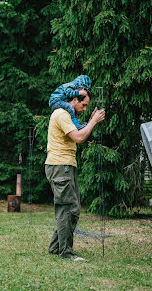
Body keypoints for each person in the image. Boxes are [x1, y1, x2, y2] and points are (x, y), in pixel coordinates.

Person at [45, 88, 105, 261]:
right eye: (84, 105)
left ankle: (56, 247)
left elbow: (79, 132)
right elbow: (79, 137)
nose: (85, 109)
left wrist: (90, 121)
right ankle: (66, 252)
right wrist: (93, 121)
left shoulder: (68, 116)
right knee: (67, 209)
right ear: (74, 100)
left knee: (73, 209)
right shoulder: (61, 114)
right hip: (59, 166)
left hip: (66, 165)